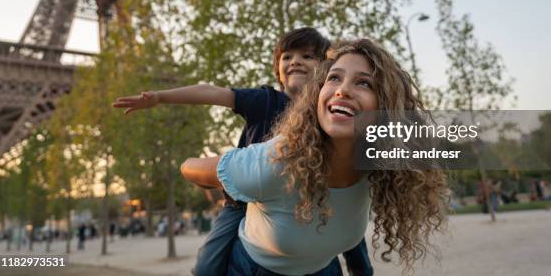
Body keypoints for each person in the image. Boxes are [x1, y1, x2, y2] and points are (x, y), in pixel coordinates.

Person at [114, 29, 373, 275]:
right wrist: (160, 98)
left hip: (316, 194)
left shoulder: (331, 112)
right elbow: (213, 92)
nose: (296, 62)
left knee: (352, 238)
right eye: (287, 57)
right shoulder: (265, 100)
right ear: (278, 72)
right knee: (206, 268)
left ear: (324, 72)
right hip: (244, 199)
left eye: (307, 56)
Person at [181, 39, 448, 275]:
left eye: (364, 83)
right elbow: (188, 168)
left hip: (324, 267)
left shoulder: (385, 164)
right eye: (334, 78)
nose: (342, 90)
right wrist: (233, 185)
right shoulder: (275, 162)